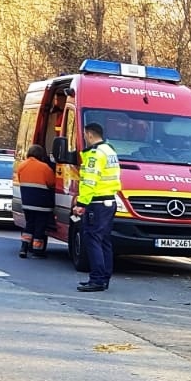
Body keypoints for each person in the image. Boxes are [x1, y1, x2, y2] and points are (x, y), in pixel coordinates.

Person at [74, 122, 119, 292]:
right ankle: (104, 278)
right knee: (105, 241)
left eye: (85, 134)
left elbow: (89, 181)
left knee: (93, 239)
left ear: (90, 134)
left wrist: (81, 204)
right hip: (109, 201)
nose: (85, 137)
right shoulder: (109, 151)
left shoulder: (95, 154)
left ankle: (97, 279)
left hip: (97, 203)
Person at [14, 144, 56, 258]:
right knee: (40, 227)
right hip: (42, 204)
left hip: (27, 202)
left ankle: (24, 248)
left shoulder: (22, 166)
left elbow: (21, 180)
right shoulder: (45, 167)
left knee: (29, 225)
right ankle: (37, 251)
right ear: (41, 155)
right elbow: (52, 183)